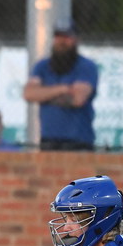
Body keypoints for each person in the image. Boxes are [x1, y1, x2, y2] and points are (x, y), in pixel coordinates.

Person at [22, 21, 98, 150]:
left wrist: (44, 95)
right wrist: (63, 89)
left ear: (76, 39)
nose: (62, 41)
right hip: (48, 139)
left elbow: (78, 99)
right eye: (58, 37)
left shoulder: (86, 66)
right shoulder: (42, 66)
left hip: (79, 141)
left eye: (67, 37)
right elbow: (29, 94)